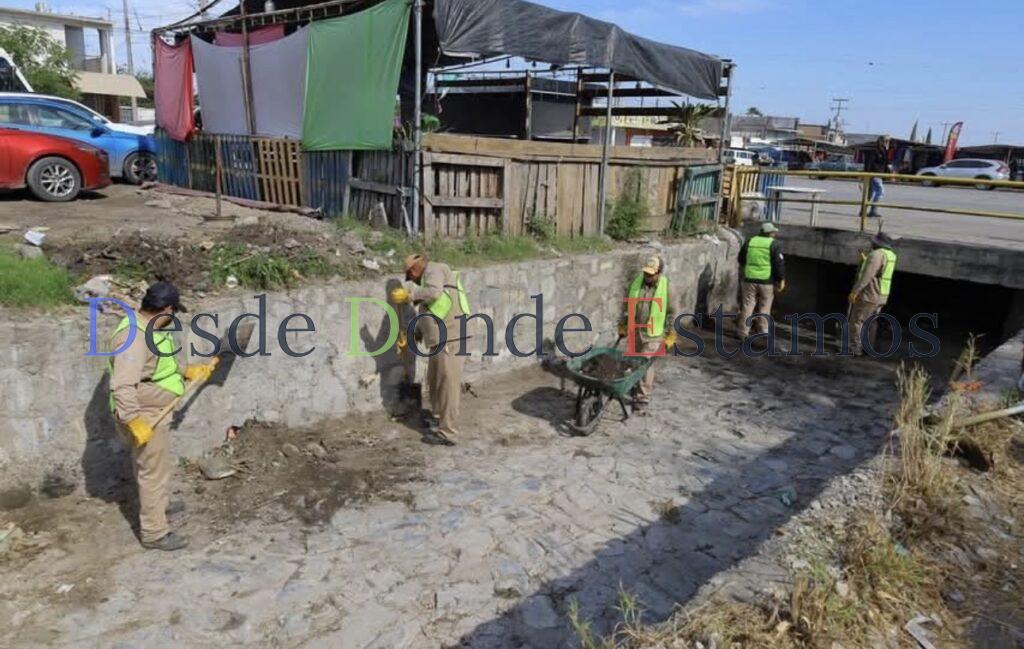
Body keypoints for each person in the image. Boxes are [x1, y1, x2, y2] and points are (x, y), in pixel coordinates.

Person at [108, 282, 215, 551]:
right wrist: (133, 420)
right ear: (166, 309)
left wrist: (187, 370)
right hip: (144, 415)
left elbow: (157, 363)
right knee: (152, 472)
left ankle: (159, 504)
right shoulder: (132, 337)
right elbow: (123, 384)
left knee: (153, 465)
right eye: (174, 312)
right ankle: (155, 533)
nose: (174, 317)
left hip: (152, 411)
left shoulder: (149, 328)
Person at [391, 254, 469, 444]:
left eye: (411, 276)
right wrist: (416, 333)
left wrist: (410, 294)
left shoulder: (435, 268)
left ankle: (448, 433)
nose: (412, 280)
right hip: (440, 338)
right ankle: (437, 417)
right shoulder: (428, 277)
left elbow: (434, 293)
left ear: (415, 269)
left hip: (452, 335)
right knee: (434, 380)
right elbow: (432, 308)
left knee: (447, 383)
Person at [619, 256, 675, 404]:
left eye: (651, 274)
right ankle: (633, 387)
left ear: (659, 273)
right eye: (646, 273)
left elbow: (672, 311)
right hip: (635, 330)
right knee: (634, 361)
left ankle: (642, 397)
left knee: (645, 363)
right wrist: (623, 324)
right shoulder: (637, 282)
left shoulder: (666, 287)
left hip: (654, 333)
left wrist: (671, 333)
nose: (647, 276)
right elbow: (627, 306)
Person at [848, 233, 898, 356]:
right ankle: (868, 348)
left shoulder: (876, 255)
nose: (871, 243)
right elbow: (879, 271)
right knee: (871, 322)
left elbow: (867, 276)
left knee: (857, 321)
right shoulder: (890, 255)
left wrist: (855, 291)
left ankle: (855, 349)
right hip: (882, 295)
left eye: (873, 242)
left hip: (870, 294)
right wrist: (866, 260)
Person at [737, 222, 786, 338]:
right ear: (770, 233)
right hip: (766, 280)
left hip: (749, 279)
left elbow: (741, 259)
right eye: (773, 232)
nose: (775, 234)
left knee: (748, 305)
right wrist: (781, 279)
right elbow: (778, 264)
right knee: (765, 305)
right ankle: (762, 330)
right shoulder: (774, 245)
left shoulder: (750, 241)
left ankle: (742, 332)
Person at [865, 136, 892, 218]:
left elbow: (886, 163)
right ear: (880, 141)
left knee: (871, 194)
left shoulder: (884, 151)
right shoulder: (875, 150)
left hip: (879, 174)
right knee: (880, 192)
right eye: (885, 141)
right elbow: (869, 162)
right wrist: (866, 174)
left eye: (887, 141)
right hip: (875, 174)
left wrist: (889, 173)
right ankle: (873, 211)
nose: (886, 143)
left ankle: (864, 211)